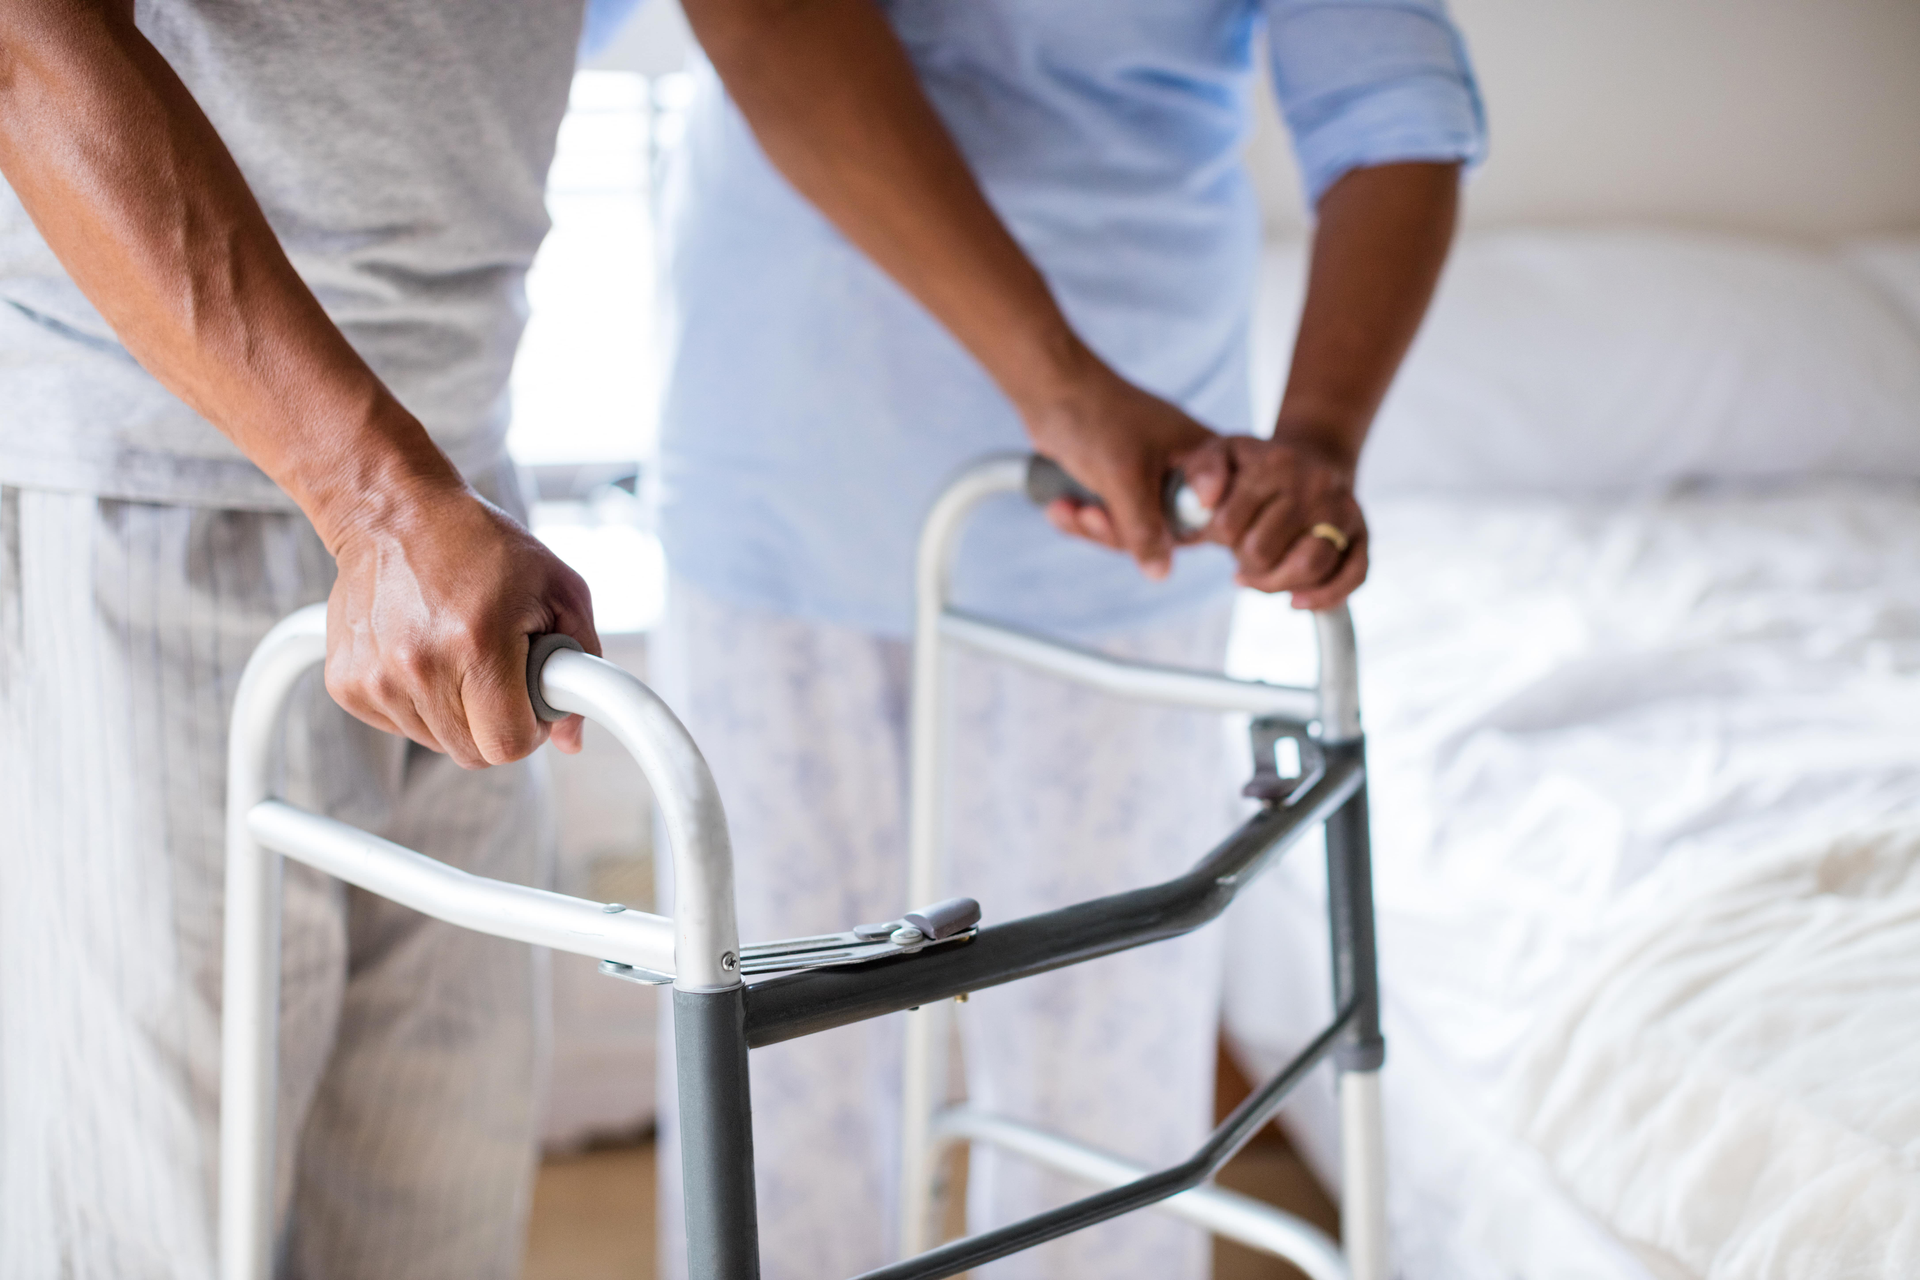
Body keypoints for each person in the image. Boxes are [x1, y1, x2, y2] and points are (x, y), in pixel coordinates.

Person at [650, 1, 1483, 1277]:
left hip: (1133, 519)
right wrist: (1063, 384)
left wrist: (1317, 436)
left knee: (1105, 1121)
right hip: (798, 469)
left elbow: (1392, 103)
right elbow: (763, 22)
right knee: (777, 1100)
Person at [0, 4, 601, 1276]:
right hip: (154, 481)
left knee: (434, 1218)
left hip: (465, 504)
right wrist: (372, 501)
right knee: (154, 1234)